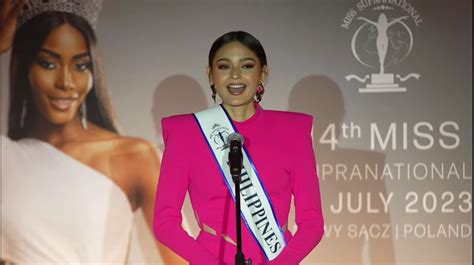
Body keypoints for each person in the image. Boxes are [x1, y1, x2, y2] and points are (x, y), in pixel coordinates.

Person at [0, 0, 184, 263]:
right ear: (25, 67)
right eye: (48, 64)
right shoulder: (6, 157)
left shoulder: (134, 156)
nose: (66, 82)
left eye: (80, 65)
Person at [153, 31, 324, 264]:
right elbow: (165, 222)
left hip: (276, 257)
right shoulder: (186, 133)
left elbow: (312, 223)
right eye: (224, 66)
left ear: (262, 73)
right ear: (210, 75)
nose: (235, 75)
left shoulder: (293, 132)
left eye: (246, 66)